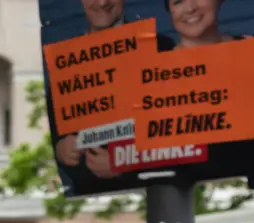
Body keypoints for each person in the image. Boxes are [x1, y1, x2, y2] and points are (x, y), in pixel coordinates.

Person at [47, 0, 175, 194]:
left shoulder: (161, 48)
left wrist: (126, 162)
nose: (102, 2)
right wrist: (59, 149)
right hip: (87, 200)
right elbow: (49, 131)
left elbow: (179, 131)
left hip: (149, 194)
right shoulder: (65, 59)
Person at [160, 0, 254, 189]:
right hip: (189, 191)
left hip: (252, 187)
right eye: (178, 2)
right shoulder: (156, 71)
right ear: (169, 11)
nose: (190, 8)